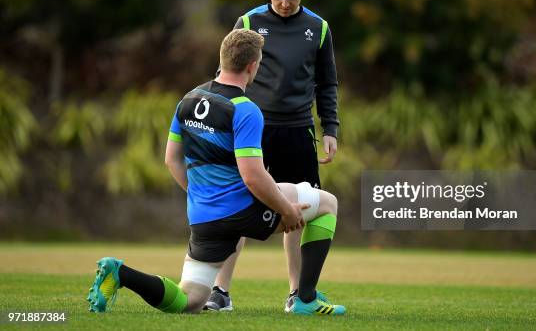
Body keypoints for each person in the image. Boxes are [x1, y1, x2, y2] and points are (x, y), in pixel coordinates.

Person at [86, 29, 345, 316]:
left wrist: (205, 195)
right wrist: (286, 210)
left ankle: (121, 273)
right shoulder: (245, 109)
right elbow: (252, 176)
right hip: (243, 209)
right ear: (252, 66)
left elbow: (172, 160)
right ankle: (304, 299)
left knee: (190, 301)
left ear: (222, 60)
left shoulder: (188, 100)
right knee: (327, 204)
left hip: (205, 216)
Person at [207, 0, 340, 313]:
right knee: (237, 206)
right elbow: (225, 76)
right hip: (252, 131)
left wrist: (330, 128)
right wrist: (222, 125)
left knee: (301, 210)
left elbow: (327, 83)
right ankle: (220, 291)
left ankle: (297, 293)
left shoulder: (319, 27)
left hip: (299, 131)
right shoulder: (248, 22)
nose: (285, 4)